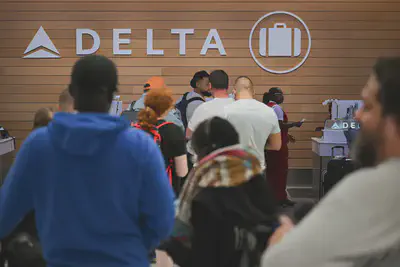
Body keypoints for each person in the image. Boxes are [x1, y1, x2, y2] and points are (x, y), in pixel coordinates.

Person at [0, 55, 175, 267]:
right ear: (112, 94)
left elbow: (5, 215)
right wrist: (134, 248)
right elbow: (163, 221)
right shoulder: (141, 146)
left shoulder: (39, 144)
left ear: (72, 91)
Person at [262, 57, 400, 267]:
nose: (358, 115)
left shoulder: (378, 185)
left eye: (368, 107)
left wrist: (284, 240)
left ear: (392, 123)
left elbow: (279, 260)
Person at [159, 117, 277, 267]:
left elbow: (201, 258)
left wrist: (168, 243)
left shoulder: (206, 196)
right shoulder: (255, 176)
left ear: (201, 149)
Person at [136, 87, 188, 196]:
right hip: (165, 195)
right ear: (168, 108)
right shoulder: (174, 130)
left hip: (137, 193)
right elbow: (182, 172)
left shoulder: (135, 129)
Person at [224, 76, 282, 170]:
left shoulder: (225, 111)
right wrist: (259, 144)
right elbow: (276, 145)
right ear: (253, 92)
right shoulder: (269, 112)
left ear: (234, 92)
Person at [263, 88, 303, 207]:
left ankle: (273, 197)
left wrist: (287, 134)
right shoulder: (277, 108)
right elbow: (280, 126)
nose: (283, 97)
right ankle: (280, 198)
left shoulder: (267, 107)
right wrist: (295, 124)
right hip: (279, 145)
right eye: (281, 94)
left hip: (270, 145)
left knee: (272, 172)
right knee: (281, 172)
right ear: (275, 96)